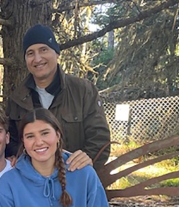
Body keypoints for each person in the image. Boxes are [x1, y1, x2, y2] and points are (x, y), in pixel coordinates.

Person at [7, 24, 111, 170]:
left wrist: (86, 159)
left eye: (43, 50)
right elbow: (11, 143)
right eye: (30, 53)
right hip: (34, 185)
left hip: (74, 179)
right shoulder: (17, 98)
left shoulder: (83, 91)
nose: (37, 59)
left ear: (56, 53)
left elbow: (100, 140)